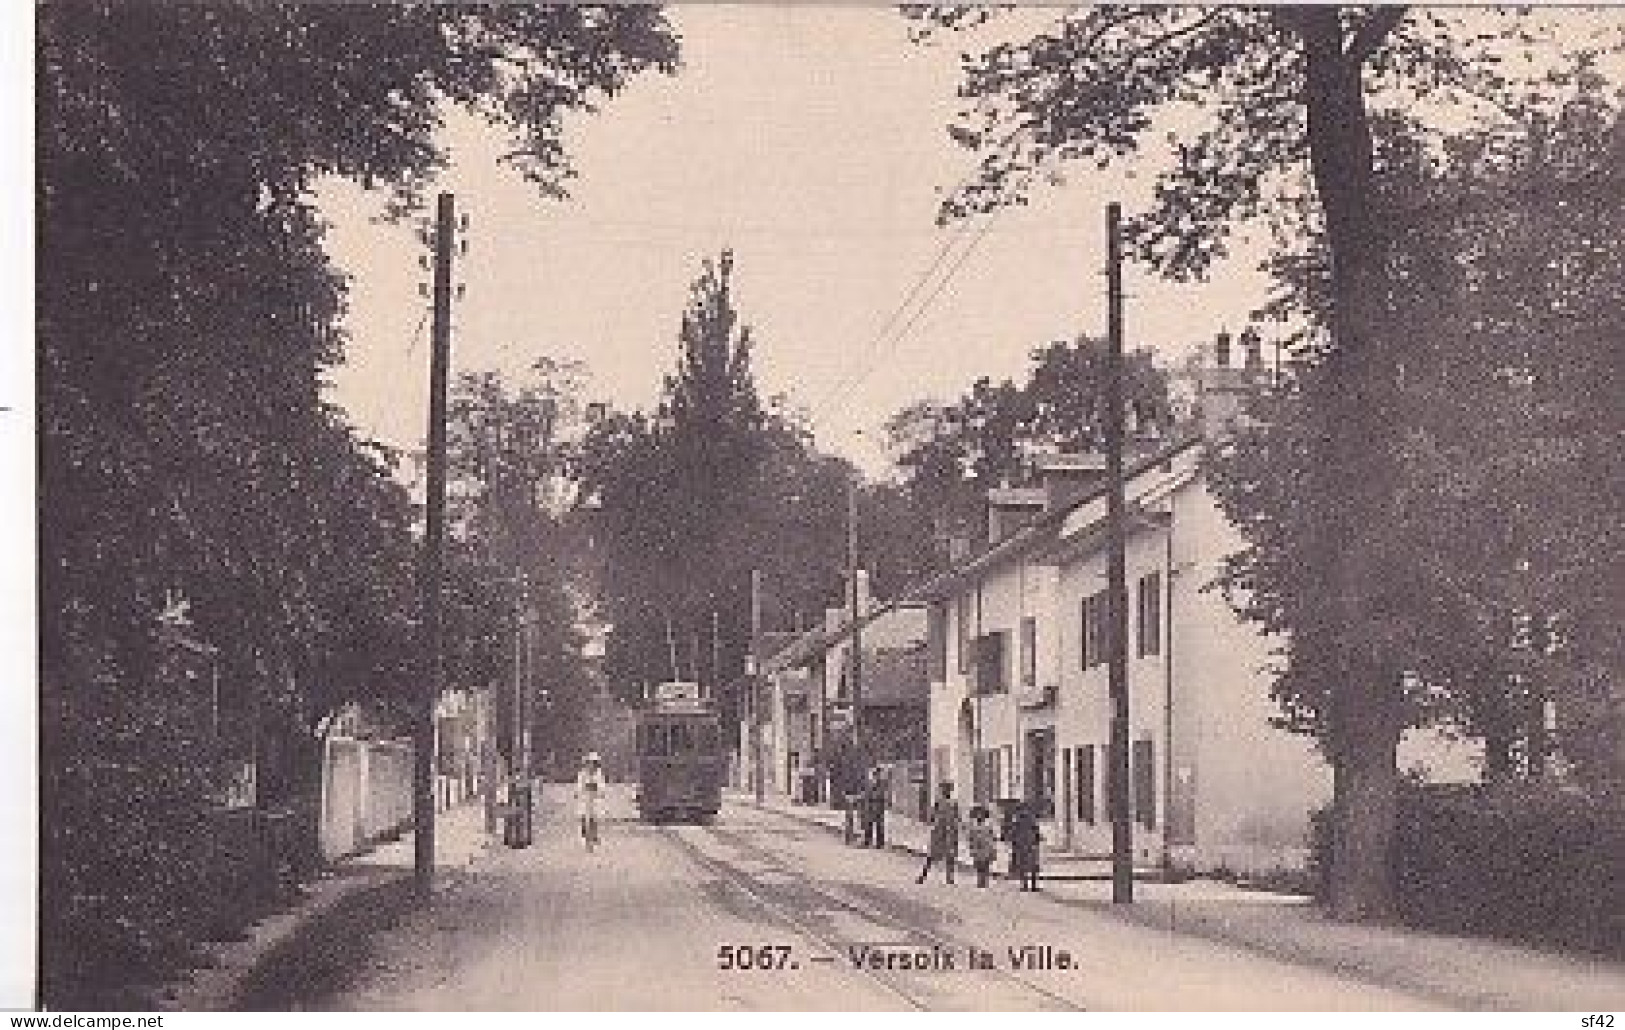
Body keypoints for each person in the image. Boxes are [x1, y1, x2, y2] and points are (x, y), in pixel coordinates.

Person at [915, 782, 960, 884]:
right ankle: (923, 875)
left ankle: (950, 877)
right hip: (939, 830)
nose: (945, 792)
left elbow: (956, 818)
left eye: (946, 790)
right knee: (932, 854)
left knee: (950, 855)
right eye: (943, 790)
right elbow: (931, 817)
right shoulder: (939, 803)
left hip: (949, 830)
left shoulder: (953, 803)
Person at [1008, 800, 1042, 891]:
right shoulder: (1031, 818)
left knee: (1023, 866)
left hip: (1021, 844)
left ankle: (1025, 885)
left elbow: (1013, 832)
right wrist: (1037, 840)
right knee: (1032, 865)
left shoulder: (1016, 818)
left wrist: (1013, 842)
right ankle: (1033, 886)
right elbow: (1036, 830)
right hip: (1030, 844)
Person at [576, 751, 605, 851]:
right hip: (585, 798)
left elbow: (602, 787)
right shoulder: (582, 774)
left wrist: (596, 788)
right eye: (590, 762)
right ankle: (586, 837)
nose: (592, 765)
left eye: (594, 763)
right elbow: (579, 787)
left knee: (594, 817)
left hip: (595, 798)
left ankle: (592, 838)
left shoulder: (599, 774)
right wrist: (585, 788)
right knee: (584, 817)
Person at [966, 804, 999, 888]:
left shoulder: (989, 825)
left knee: (985, 865)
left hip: (986, 847)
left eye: (981, 815)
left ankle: (984, 881)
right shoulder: (973, 825)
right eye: (978, 815)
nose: (980, 817)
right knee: (979, 865)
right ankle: (980, 880)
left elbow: (994, 836)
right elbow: (970, 837)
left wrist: (993, 845)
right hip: (978, 847)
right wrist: (971, 846)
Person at [862, 767, 888, 848]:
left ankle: (880, 843)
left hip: (879, 806)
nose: (876, 776)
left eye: (877, 775)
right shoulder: (872, 783)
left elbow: (881, 794)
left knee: (879, 825)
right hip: (871, 806)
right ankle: (867, 842)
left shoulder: (882, 784)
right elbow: (868, 793)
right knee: (869, 824)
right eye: (875, 775)